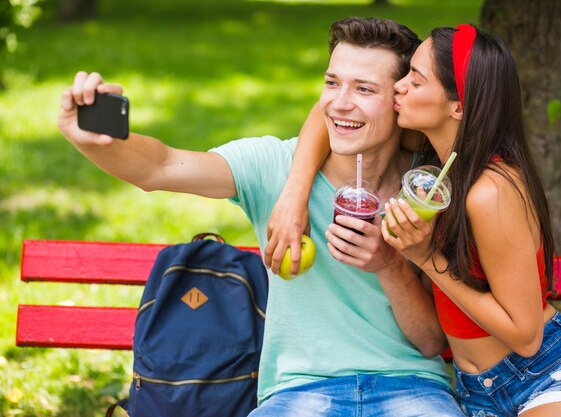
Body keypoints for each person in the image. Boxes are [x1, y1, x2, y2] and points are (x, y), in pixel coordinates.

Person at [57, 17, 465, 417]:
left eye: (364, 89)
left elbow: (430, 342)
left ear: (398, 100)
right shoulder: (274, 165)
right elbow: (161, 166)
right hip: (302, 391)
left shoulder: (427, 191)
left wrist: (389, 264)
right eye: (331, 83)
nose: (339, 102)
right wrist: (97, 141)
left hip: (410, 388)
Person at [266, 23, 561, 417]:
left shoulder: (490, 191)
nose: (399, 88)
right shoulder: (438, 156)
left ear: (458, 106)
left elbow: (525, 336)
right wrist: (293, 196)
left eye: (415, 82)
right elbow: (326, 115)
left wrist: (424, 258)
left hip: (545, 381)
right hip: (477, 395)